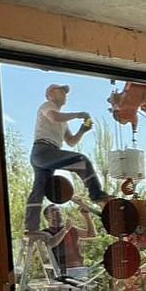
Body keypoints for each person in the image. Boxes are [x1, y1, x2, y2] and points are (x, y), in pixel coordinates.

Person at [24, 84, 108, 233]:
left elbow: (71, 141)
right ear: (50, 93)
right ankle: (96, 195)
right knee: (81, 160)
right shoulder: (47, 106)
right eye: (61, 91)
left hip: (47, 154)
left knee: (38, 190)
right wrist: (78, 114)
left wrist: (82, 130)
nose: (65, 95)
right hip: (44, 150)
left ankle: (31, 227)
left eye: (65, 92)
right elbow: (54, 117)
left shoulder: (63, 121)